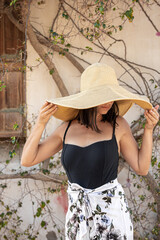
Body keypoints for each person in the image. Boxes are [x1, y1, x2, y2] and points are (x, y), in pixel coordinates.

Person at [21, 63, 159, 240]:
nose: (108, 101)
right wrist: (40, 123)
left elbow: (142, 167)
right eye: (102, 95)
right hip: (78, 218)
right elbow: (27, 159)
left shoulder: (118, 125)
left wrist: (148, 130)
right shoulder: (66, 128)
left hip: (111, 219)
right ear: (88, 97)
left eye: (111, 95)